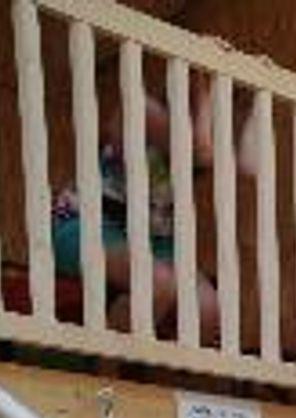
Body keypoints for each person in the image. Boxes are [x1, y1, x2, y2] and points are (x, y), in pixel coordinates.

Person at [52, 67, 249, 344]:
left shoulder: (202, 144)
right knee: (159, 283)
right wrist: (201, 82)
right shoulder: (142, 110)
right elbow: (201, 151)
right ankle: (105, 360)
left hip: (154, 242)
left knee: (208, 309)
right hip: (90, 225)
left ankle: (160, 369)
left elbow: (209, 153)